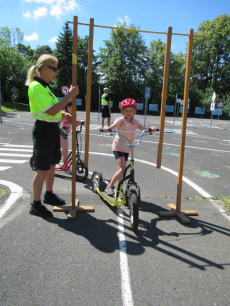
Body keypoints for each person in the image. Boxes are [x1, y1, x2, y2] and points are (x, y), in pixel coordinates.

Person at [25, 54, 79, 218]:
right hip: (43, 131)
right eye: (54, 69)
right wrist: (69, 96)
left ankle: (49, 194)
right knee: (42, 168)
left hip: (52, 129)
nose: (56, 73)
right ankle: (35, 204)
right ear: (45, 68)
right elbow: (50, 111)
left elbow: (53, 110)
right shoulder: (36, 86)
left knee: (51, 166)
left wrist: (64, 116)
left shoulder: (46, 87)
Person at [103, 98, 158, 198]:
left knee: (121, 169)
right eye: (126, 111)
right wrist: (108, 128)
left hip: (128, 148)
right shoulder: (120, 121)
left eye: (131, 111)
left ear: (134, 112)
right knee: (123, 168)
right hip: (118, 147)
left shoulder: (135, 122)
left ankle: (120, 190)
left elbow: (143, 129)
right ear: (122, 111)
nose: (128, 113)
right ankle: (109, 186)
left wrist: (150, 129)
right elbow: (113, 126)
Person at [58, 100, 84, 174]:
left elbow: (74, 124)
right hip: (60, 133)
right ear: (66, 107)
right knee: (65, 149)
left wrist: (80, 122)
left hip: (65, 135)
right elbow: (66, 121)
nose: (72, 109)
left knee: (66, 152)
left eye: (73, 107)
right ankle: (54, 162)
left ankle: (65, 166)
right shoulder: (65, 115)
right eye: (70, 107)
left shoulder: (72, 116)